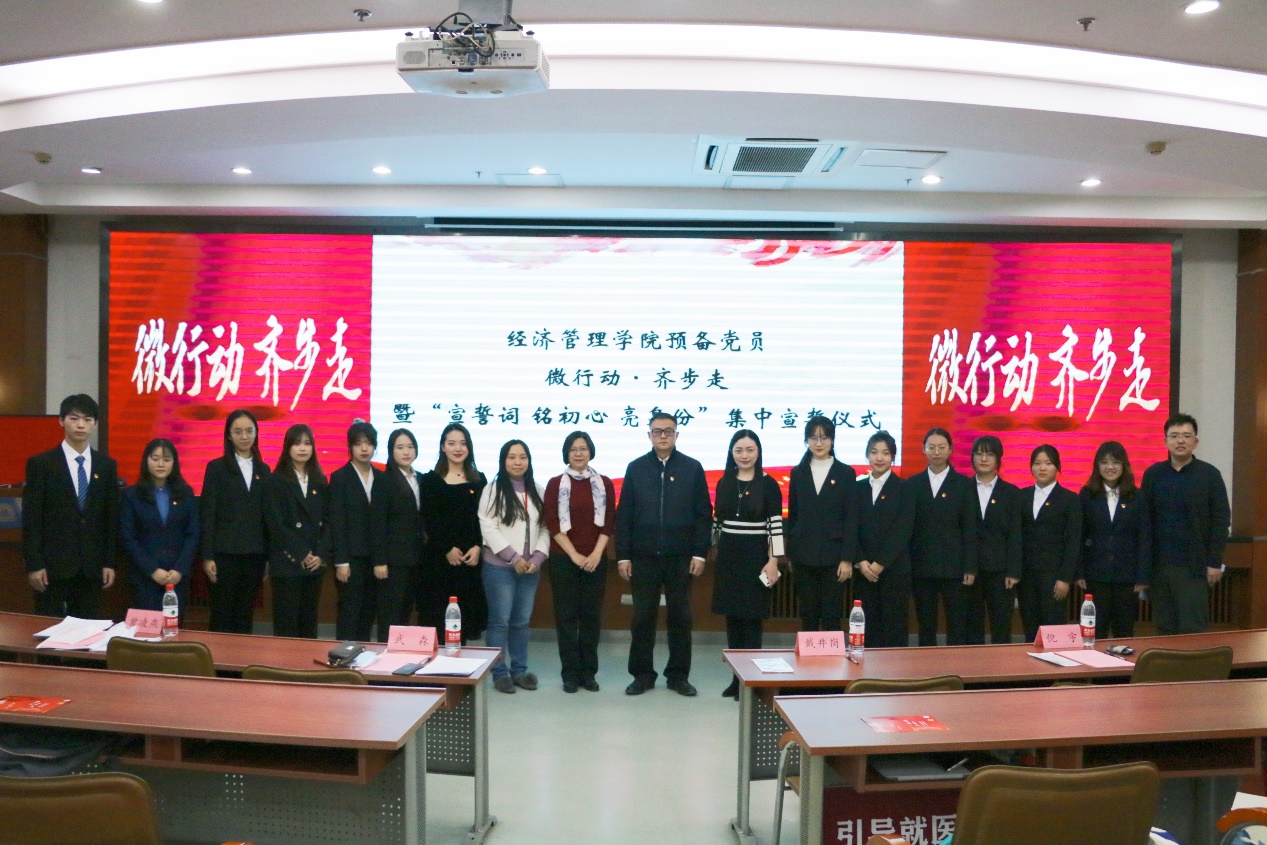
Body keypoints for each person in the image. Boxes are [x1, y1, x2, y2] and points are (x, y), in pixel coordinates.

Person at [616, 412, 712, 697]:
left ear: (676, 435)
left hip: (681, 558)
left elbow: (703, 514)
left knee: (680, 617)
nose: (662, 436)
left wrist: (700, 553)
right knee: (642, 618)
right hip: (643, 557)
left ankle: (678, 675)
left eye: (668, 431)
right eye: (657, 431)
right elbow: (625, 515)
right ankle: (642, 675)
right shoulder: (636, 468)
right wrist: (623, 556)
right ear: (649, 435)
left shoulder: (692, 468)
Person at [22, 394, 120, 617]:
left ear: (95, 423)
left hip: (92, 567)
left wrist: (109, 562)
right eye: (74, 418)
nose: (80, 425)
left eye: (87, 419)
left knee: (88, 631)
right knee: (49, 630)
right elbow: (32, 519)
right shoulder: (41, 464)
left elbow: (110, 518)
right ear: (61, 420)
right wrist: (34, 564)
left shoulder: (106, 466)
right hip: (51, 568)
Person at [1139, 413, 1231, 635]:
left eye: (1186, 436)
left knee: (1193, 629)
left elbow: (1221, 520)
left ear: (1195, 442)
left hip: (1195, 567)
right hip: (1160, 567)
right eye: (1174, 436)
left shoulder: (1210, 475)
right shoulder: (1153, 475)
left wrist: (1214, 561)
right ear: (1165, 441)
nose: (1180, 441)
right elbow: (1144, 522)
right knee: (1164, 628)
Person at [713, 430, 784, 699]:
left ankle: (751, 683)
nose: (744, 455)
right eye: (739, 450)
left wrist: (773, 561)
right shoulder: (725, 482)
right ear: (731, 453)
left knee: (752, 622)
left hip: (756, 559)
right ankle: (736, 680)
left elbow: (775, 526)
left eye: (750, 450)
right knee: (733, 621)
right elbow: (717, 523)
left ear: (758, 452)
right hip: (729, 558)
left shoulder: (769, 484)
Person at [543, 431, 616, 693]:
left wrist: (596, 554)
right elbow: (552, 523)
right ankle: (570, 675)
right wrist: (574, 555)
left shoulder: (604, 483)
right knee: (566, 618)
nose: (578, 453)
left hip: (595, 559)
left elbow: (609, 521)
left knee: (591, 618)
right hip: (564, 559)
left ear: (590, 451)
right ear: (566, 453)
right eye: (573, 449)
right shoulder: (555, 484)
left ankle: (589, 673)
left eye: (583, 448)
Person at [478, 440, 550, 694]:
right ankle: (499, 673)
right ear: (503, 461)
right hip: (500, 568)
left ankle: (519, 671)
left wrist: (536, 559)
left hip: (530, 568)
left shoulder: (539, 490)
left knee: (521, 622)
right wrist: (514, 558)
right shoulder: (492, 489)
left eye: (522, 457)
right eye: (512, 457)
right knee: (500, 622)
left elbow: (546, 528)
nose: (517, 462)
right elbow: (488, 528)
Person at [201, 409, 271, 633]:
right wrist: (207, 556)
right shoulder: (216, 468)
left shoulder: (264, 470)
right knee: (222, 614)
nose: (244, 436)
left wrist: (267, 556)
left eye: (249, 431)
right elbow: (208, 514)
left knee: (245, 614)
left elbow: (266, 517)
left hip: (254, 554)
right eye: (238, 431)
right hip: (224, 554)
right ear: (229, 435)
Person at [785, 416, 857, 633]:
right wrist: (791, 554)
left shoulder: (845, 473)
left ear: (832, 440)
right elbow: (793, 515)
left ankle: (831, 657)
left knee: (831, 615)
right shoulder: (798, 472)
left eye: (824, 438)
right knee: (808, 614)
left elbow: (851, 518)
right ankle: (808, 656)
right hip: (803, 555)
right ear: (806, 440)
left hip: (834, 557)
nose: (818, 443)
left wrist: (847, 559)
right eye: (813, 438)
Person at [418, 423, 488, 643]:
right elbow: (429, 519)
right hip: (439, 560)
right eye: (452, 443)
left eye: (463, 443)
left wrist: (478, 546)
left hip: (469, 560)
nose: (458, 448)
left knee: (464, 620)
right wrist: (447, 548)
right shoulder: (430, 480)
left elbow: (484, 518)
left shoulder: (479, 480)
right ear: (443, 447)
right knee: (438, 618)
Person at [907, 427, 977, 646]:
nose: (936, 452)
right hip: (922, 567)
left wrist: (970, 567)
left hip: (955, 568)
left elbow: (970, 528)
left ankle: (956, 664)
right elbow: (908, 528)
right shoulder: (913, 484)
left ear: (950, 450)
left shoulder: (964, 484)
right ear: (924, 449)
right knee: (925, 625)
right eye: (931, 447)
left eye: (941, 447)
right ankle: (927, 666)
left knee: (957, 625)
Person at [1078, 441, 1151, 639]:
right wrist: (1079, 572)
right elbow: (1079, 536)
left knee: (1124, 632)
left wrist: (1142, 576)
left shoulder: (1136, 496)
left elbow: (1144, 538)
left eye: (1116, 462)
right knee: (1095, 633)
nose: (1110, 467)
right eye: (1104, 462)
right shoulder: (1087, 495)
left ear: (1124, 465)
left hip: (1127, 578)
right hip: (1095, 576)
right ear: (1097, 466)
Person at [264, 424, 329, 639]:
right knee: (287, 625)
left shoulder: (320, 480)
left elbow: (328, 521)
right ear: (287, 447)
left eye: (307, 443)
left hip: (314, 565)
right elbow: (275, 524)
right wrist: (300, 553)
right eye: (297, 443)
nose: (303, 448)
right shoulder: (275, 481)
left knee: (308, 625)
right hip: (287, 563)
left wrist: (320, 554)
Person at [120, 438, 200, 612]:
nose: (161, 464)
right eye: (155, 459)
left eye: (166, 459)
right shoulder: (132, 496)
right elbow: (128, 538)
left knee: (173, 626)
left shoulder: (186, 494)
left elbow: (193, 534)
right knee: (145, 627)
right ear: (146, 461)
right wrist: (152, 570)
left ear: (174, 463)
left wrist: (179, 569)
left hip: (176, 577)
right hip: (144, 577)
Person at [852, 429, 914, 648]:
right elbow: (851, 528)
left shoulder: (905, 488)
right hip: (864, 571)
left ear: (893, 457)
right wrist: (861, 561)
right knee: (867, 630)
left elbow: (903, 529)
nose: (879, 458)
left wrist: (880, 564)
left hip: (894, 570)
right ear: (867, 455)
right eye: (874, 452)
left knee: (894, 630)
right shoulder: (857, 488)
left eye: (886, 453)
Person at [1017, 444, 1082, 642]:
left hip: (1054, 577)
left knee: (1054, 632)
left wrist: (1065, 578)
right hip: (1027, 576)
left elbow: (1073, 541)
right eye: (1037, 463)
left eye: (1048, 463)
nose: (1042, 468)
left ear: (1057, 467)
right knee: (1030, 630)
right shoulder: (1021, 496)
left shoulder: (1069, 499)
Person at [964, 434, 1023, 645]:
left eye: (989, 454)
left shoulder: (1011, 493)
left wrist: (1013, 571)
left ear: (998, 458)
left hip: (1001, 572)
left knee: (1001, 626)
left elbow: (1016, 534)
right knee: (972, 627)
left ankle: (1001, 667)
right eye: (979, 453)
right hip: (970, 571)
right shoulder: (962, 489)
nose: (983, 459)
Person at [329, 421, 384, 641]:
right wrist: (341, 561)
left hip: (375, 559)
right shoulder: (340, 477)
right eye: (358, 443)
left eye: (369, 443)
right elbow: (337, 521)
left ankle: (364, 656)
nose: (364, 448)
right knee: (349, 612)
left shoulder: (381, 477)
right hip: (350, 559)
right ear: (350, 447)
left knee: (368, 613)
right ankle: (344, 658)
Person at [371, 428, 427, 638]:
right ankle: (385, 654)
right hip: (392, 561)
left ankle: (401, 653)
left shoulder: (420, 478)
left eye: (410, 447)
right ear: (391, 451)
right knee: (390, 614)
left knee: (406, 611)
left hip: (416, 558)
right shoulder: (384, 480)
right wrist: (379, 561)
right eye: (400, 447)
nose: (406, 452)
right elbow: (377, 523)